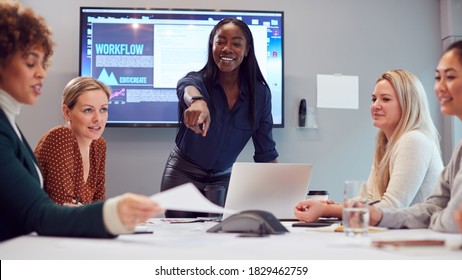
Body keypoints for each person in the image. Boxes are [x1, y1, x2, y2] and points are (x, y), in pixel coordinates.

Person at [0, 1, 162, 242]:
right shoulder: (27, 132)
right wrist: (114, 212)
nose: (42, 73)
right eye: (31, 62)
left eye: (43, 63)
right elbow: (41, 213)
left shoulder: (9, 122)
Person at [160, 18, 279, 218]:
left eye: (236, 43)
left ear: (247, 49)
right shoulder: (197, 81)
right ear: (212, 45)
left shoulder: (260, 94)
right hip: (183, 176)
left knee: (221, 243)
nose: (227, 48)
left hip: (223, 180)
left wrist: (282, 192)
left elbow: (266, 152)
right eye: (220, 41)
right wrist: (197, 102)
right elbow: (185, 87)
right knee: (178, 242)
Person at [294, 69, 443, 222]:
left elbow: (392, 207)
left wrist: (329, 210)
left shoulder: (414, 140)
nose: (375, 106)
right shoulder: (386, 145)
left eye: (385, 99)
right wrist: (335, 207)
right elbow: (367, 199)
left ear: (408, 104)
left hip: (416, 239)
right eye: (374, 99)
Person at [368, 40, 462, 233]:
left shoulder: (414, 140)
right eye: (438, 78)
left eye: (450, 77)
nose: (440, 87)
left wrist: (436, 219)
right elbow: (435, 208)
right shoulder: (460, 148)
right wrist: (377, 215)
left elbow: (452, 220)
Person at [35, 77, 109, 205]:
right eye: (88, 110)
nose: (98, 119)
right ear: (67, 112)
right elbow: (63, 207)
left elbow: (99, 205)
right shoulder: (60, 137)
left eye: (103, 109)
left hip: (79, 225)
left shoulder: (98, 144)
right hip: (45, 225)